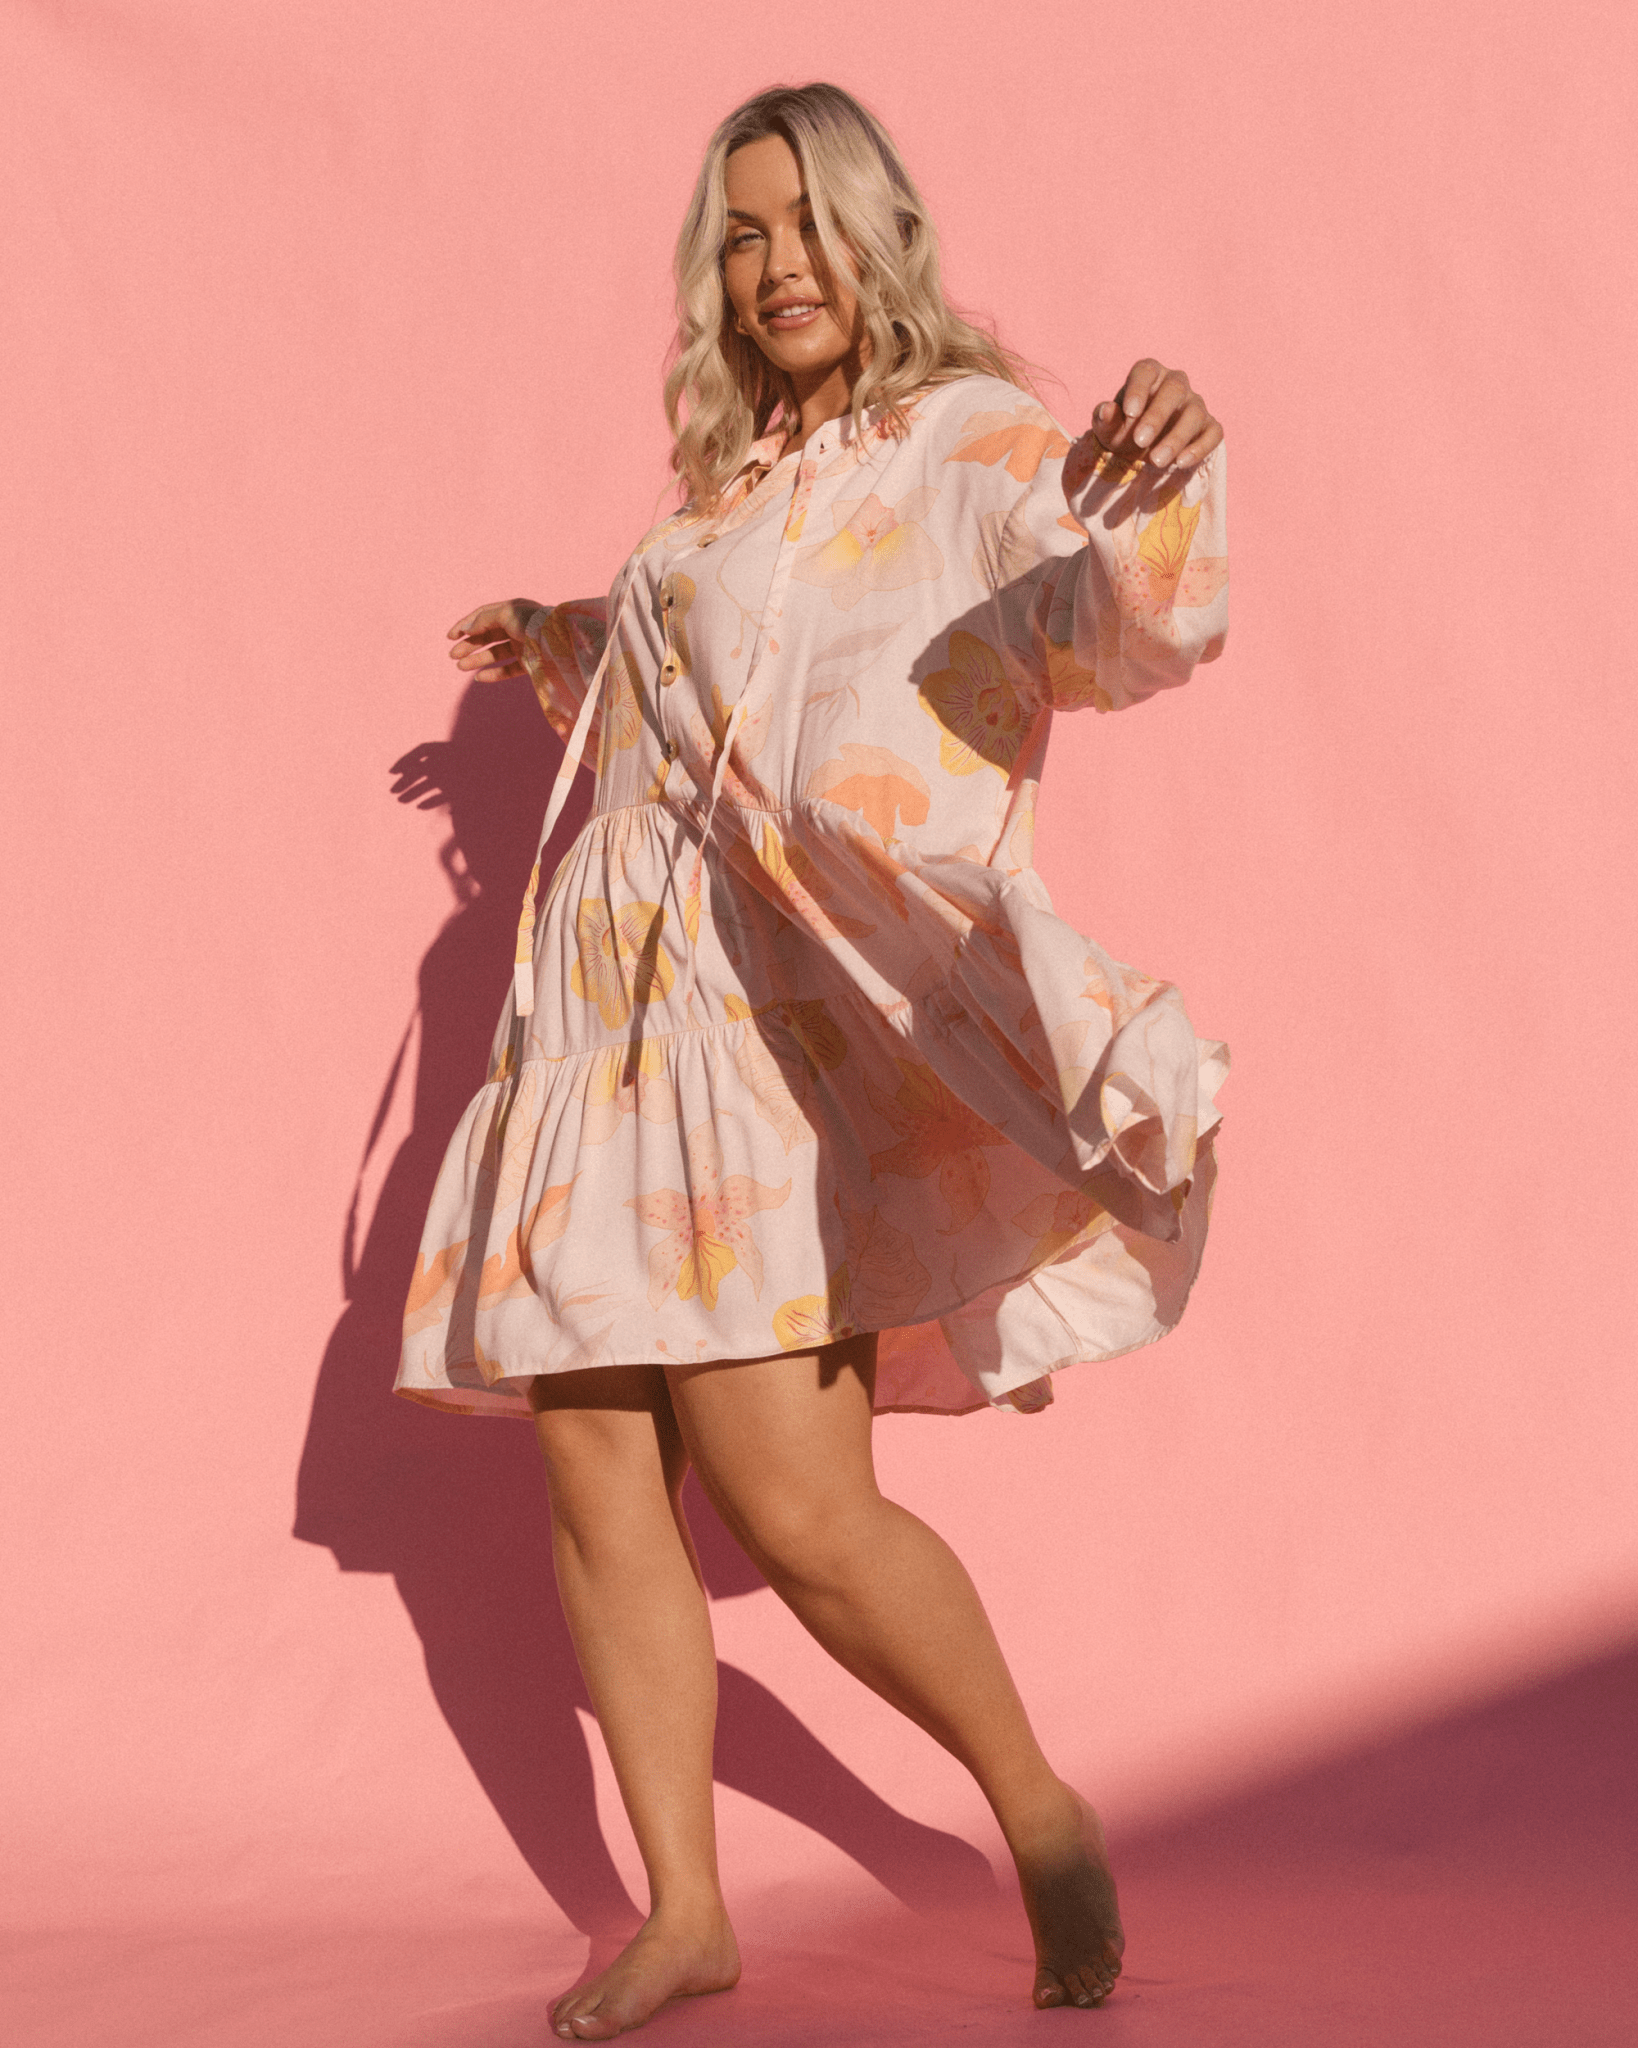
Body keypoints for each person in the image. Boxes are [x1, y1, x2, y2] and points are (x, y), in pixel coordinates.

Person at [397, 80, 1228, 2040]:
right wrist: (568, 631)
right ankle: (685, 1911)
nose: (775, 263)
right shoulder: (741, 474)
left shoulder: (971, 445)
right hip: (605, 1006)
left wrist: (1161, 470)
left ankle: (1034, 1802)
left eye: (805, 222)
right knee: (593, 1468)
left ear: (881, 233)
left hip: (770, 1031)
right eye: (742, 234)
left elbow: (1110, 618)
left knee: (795, 1494)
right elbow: (732, 649)